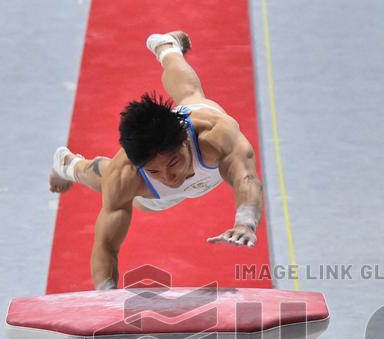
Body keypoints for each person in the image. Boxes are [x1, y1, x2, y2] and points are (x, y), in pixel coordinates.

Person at [48, 31, 264, 290]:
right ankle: (68, 164)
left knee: (192, 95)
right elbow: (106, 246)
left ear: (185, 140)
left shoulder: (215, 135)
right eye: (154, 171)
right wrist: (106, 297)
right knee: (105, 178)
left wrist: (245, 221)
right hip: (153, 198)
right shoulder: (127, 174)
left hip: (201, 145)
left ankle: (167, 47)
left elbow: (246, 177)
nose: (168, 178)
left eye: (173, 163)